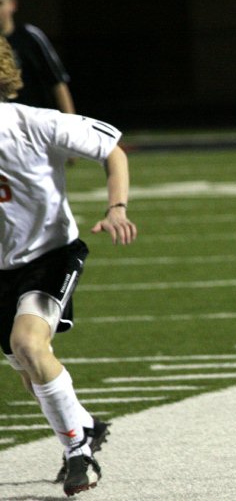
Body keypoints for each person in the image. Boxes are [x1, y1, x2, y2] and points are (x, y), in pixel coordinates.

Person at [0, 36, 137, 496]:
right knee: (26, 366)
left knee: (28, 344)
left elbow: (112, 148)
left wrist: (116, 206)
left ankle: (80, 455)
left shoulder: (33, 123)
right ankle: (85, 426)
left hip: (49, 254)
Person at [0, 0, 76, 114]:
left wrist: (71, 122)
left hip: (35, 120)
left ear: (13, 4)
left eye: (0, 3)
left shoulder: (30, 36)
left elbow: (57, 82)